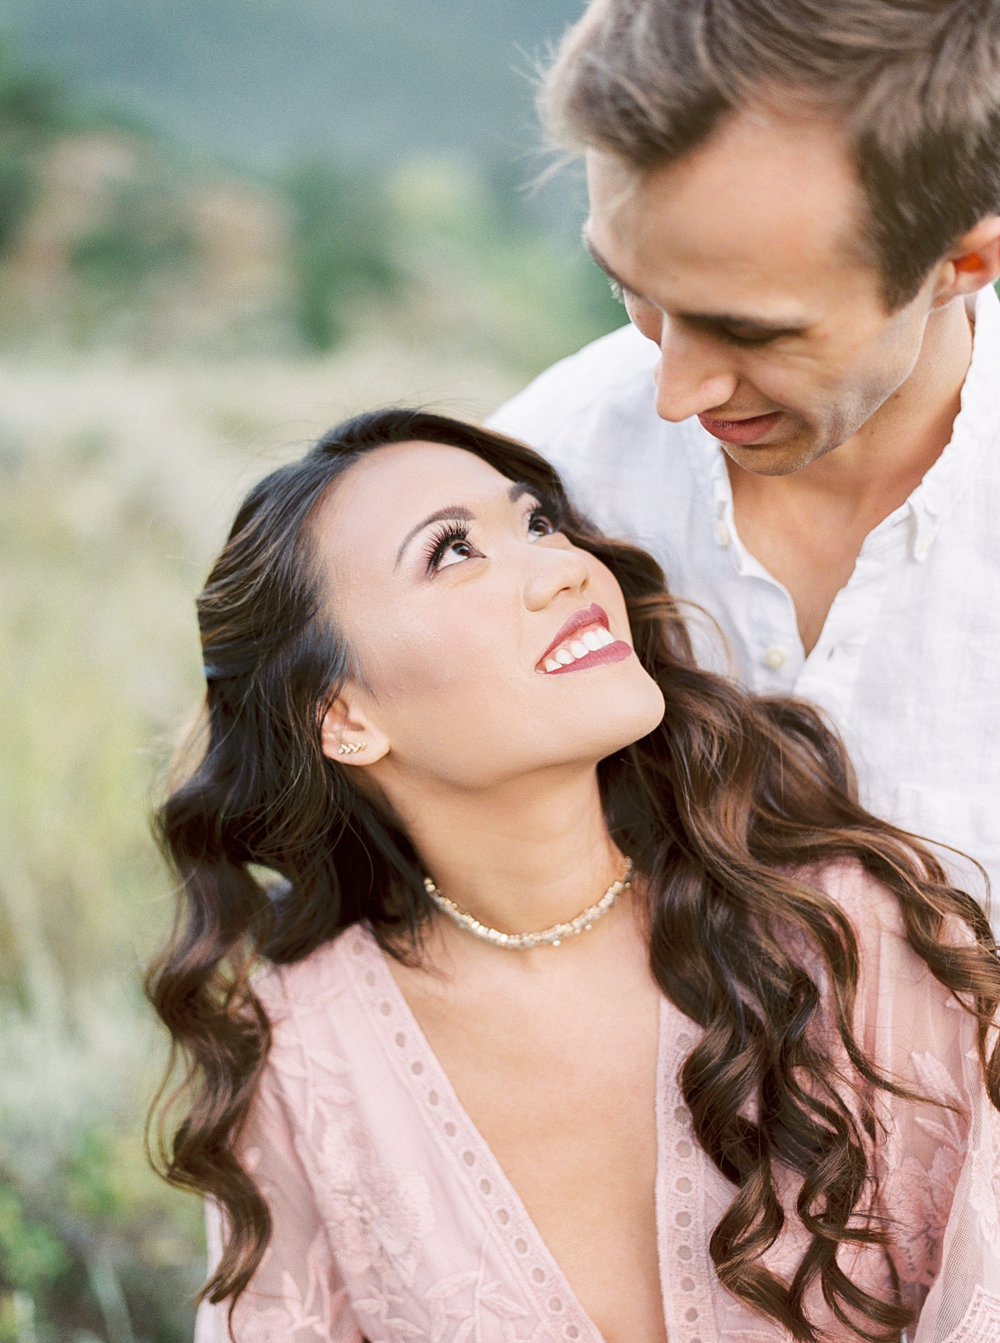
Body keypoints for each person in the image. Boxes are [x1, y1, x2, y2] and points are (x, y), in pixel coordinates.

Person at [150, 408, 1000, 1343]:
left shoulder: (840, 927)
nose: (566, 568)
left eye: (540, 523)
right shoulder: (301, 1050)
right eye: (453, 552)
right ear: (343, 715)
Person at [488, 0, 1000, 906]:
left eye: (749, 331)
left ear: (962, 262)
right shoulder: (540, 475)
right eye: (630, 287)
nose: (675, 393)